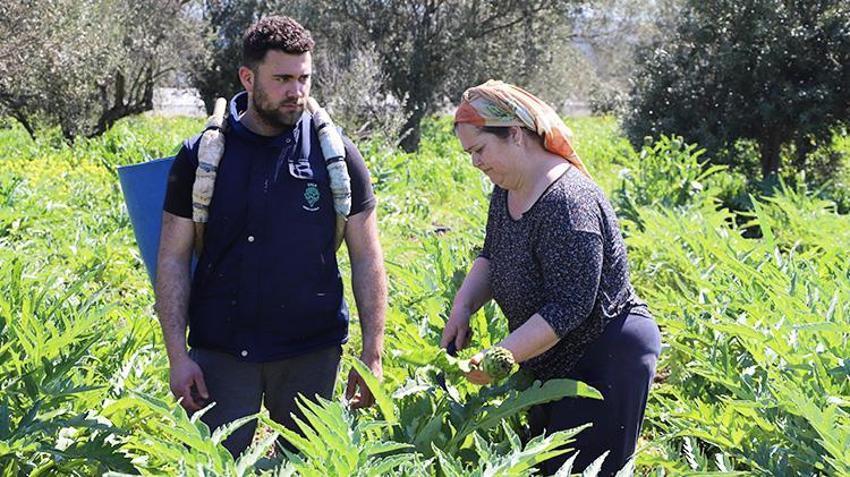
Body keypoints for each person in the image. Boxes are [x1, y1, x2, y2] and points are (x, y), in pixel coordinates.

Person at [155, 15, 386, 457]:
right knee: (216, 466)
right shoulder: (200, 157)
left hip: (311, 353)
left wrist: (372, 352)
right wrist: (177, 356)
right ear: (248, 76)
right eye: (281, 79)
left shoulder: (335, 154)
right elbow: (172, 257)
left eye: (303, 78)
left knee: (308, 466)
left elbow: (367, 257)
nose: (295, 91)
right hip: (220, 353)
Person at [441, 80, 661, 475]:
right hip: (550, 358)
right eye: (469, 154)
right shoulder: (506, 189)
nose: (475, 162)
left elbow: (569, 306)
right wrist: (463, 307)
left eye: (479, 150)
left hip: (604, 358)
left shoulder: (569, 203)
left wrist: (501, 356)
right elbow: (492, 254)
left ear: (515, 134)